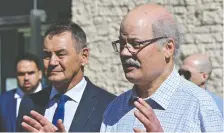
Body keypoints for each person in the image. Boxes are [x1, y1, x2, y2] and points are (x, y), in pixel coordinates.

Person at [100, 4, 223, 132]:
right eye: (121, 44)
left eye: (135, 44)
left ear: (168, 48)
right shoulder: (114, 109)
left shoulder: (200, 105)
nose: (124, 53)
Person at [16, 22, 115, 132]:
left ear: (84, 56)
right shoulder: (29, 103)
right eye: (47, 56)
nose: (52, 62)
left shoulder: (108, 106)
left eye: (61, 54)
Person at [0, 53, 43, 132]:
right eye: (21, 74)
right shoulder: (2, 101)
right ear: (15, 75)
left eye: (30, 73)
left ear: (40, 74)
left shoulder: (53, 96)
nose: (26, 78)